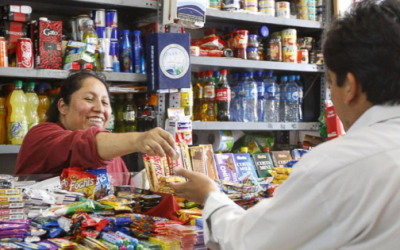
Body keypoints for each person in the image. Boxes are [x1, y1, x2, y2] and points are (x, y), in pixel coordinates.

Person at [170, 1, 400, 249]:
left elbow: (250, 242)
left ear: (351, 87)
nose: (331, 94)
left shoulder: (338, 165)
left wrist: (210, 196)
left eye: (331, 83)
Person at [15, 71, 177, 185]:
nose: (100, 108)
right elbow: (83, 144)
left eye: (105, 102)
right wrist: (139, 139)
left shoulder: (113, 156)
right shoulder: (41, 136)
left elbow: (130, 202)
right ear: (63, 106)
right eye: (89, 99)